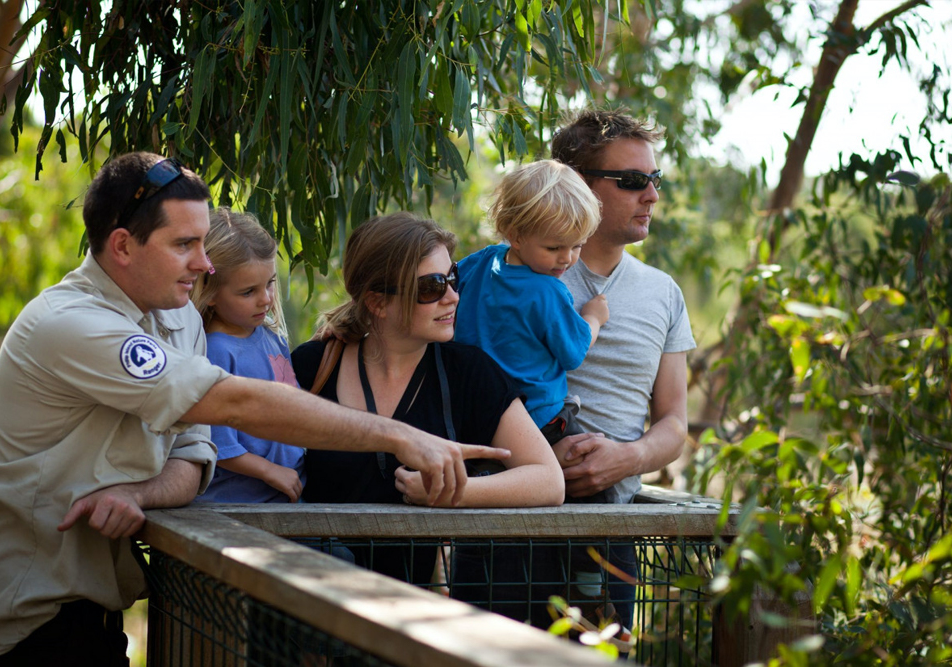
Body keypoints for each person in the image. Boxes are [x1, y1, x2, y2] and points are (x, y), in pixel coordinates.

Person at [0, 153, 508, 667]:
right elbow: (234, 403)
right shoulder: (73, 323)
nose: (204, 264)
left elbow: (193, 456)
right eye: (184, 245)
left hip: (99, 612)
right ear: (123, 245)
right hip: (22, 616)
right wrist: (399, 436)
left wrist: (139, 493)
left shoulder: (176, 320)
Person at [291, 212, 564, 582]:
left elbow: (548, 480)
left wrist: (454, 491)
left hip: (411, 616)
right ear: (377, 302)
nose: (452, 296)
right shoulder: (313, 367)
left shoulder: (467, 373)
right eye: (431, 287)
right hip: (306, 600)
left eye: (453, 278)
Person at [551, 110, 697, 634]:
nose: (652, 195)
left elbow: (674, 424)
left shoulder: (664, 293)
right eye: (633, 181)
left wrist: (625, 458)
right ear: (579, 186)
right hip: (506, 526)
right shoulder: (508, 276)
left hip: (614, 532)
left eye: (654, 179)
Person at [452, 159, 612, 597]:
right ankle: (588, 578)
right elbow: (574, 351)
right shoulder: (547, 291)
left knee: (490, 529)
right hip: (541, 421)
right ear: (515, 234)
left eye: (577, 246)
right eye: (555, 248)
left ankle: (474, 595)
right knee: (596, 491)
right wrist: (593, 317)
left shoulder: (476, 265)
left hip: (482, 424)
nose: (567, 259)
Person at [189, 208, 305, 504]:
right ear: (210, 291)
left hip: (288, 496)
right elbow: (217, 443)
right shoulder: (213, 352)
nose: (265, 298)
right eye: (248, 291)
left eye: (269, 283)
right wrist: (270, 471)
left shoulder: (270, 337)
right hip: (242, 507)